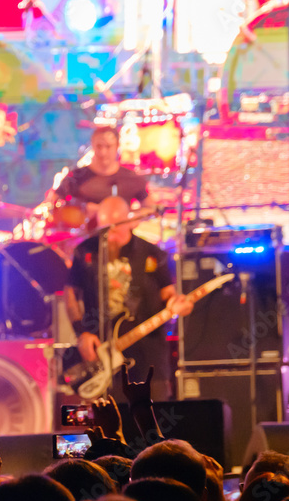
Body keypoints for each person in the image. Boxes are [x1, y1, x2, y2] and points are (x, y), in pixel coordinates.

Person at [64, 196, 193, 400]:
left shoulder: (151, 253)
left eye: (114, 230)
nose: (109, 237)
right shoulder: (86, 251)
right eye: (104, 230)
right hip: (103, 356)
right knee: (110, 427)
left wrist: (175, 304)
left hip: (148, 357)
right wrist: (81, 333)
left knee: (152, 423)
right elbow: (70, 294)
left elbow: (168, 293)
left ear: (130, 222)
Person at [48, 125, 156, 225]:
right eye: (99, 146)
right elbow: (53, 203)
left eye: (108, 146)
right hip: (83, 239)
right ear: (92, 145)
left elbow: (150, 208)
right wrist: (83, 208)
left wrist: (128, 217)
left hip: (119, 238)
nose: (103, 152)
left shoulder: (131, 178)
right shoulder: (76, 177)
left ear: (117, 146)